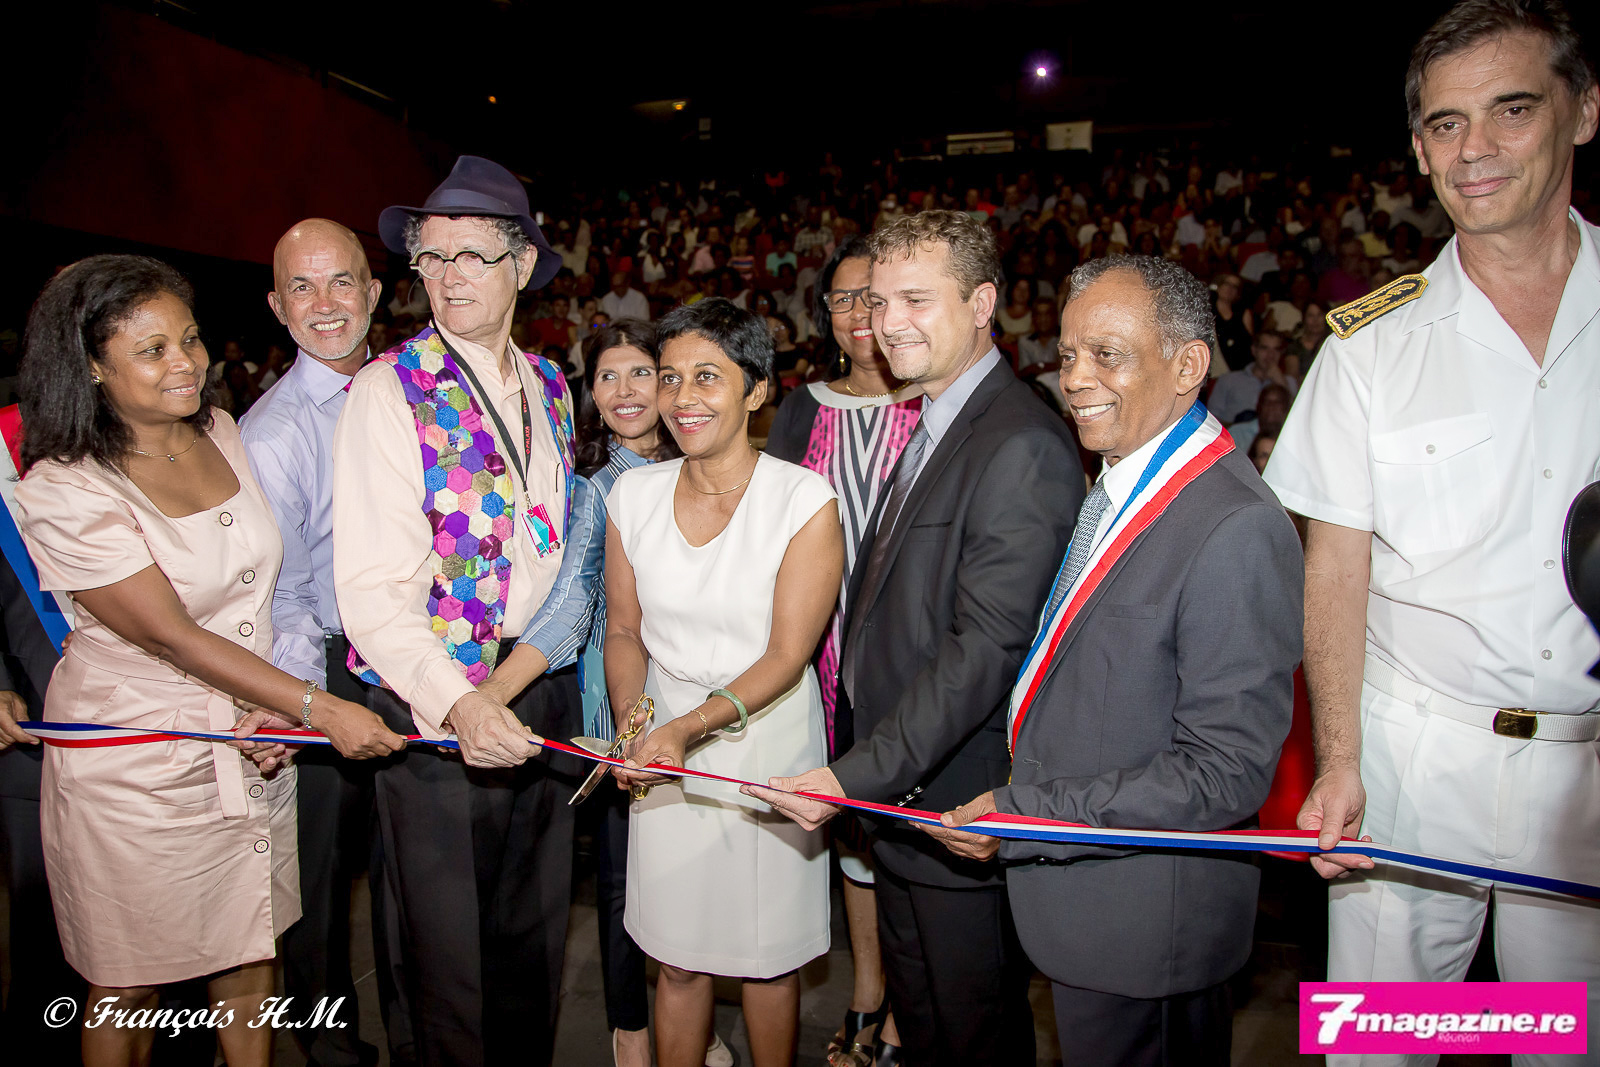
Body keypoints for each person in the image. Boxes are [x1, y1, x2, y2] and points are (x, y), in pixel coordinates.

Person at [1265, 4, 1600, 1061]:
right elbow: (1336, 564)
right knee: (1382, 1038)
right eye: (1445, 125)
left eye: (1510, 110)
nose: (1476, 150)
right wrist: (1341, 757)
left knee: (1568, 1034)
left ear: (1581, 112)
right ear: (1418, 151)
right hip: (1415, 751)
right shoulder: (1370, 347)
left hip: (1586, 761)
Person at [15, 255, 402, 1067]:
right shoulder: (63, 486)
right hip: (138, 761)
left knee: (249, 947)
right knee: (130, 981)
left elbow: (257, 595)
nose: (185, 361)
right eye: (151, 349)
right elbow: (170, 633)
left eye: (188, 339)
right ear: (90, 363)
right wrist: (315, 705)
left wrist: (270, 709)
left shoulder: (220, 431)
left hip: (254, 738)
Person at [922, 255, 1302, 1065]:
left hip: (1145, 924)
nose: (1075, 379)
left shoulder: (1233, 525)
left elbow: (1225, 772)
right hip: (1091, 908)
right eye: (1066, 355)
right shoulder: (1117, 484)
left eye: (1108, 355)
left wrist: (1030, 811)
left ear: (1188, 365)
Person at [750, 211, 1084, 1067]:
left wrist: (852, 772)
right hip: (899, 797)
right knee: (929, 1021)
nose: (886, 320)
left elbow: (986, 647)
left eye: (913, 299)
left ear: (982, 304)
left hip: (954, 796)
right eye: (873, 300)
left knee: (974, 1027)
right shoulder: (935, 418)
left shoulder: (1019, 440)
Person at [334, 155, 580, 1066]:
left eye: (472, 255)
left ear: (523, 264)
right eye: (430, 258)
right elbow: (369, 593)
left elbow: (551, 544)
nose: (447, 277)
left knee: (531, 929)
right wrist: (458, 700)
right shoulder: (387, 388)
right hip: (439, 693)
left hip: (536, 680)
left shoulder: (551, 383)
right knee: (445, 960)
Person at [471, 321, 720, 1067]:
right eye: (606, 377)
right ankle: (632, 1030)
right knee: (622, 879)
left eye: (641, 372)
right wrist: (495, 690)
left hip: (700, 701)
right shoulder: (596, 487)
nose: (624, 391)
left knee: (692, 873)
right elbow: (576, 605)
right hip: (618, 707)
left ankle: (691, 1019)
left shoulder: (707, 466)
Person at [606, 298, 844, 1067]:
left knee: (765, 959)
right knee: (676, 958)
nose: (682, 398)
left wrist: (686, 728)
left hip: (765, 743)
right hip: (663, 739)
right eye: (670, 377)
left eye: (708, 376)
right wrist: (633, 722)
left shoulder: (802, 500)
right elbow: (622, 630)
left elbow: (785, 654)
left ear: (756, 389)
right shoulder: (633, 496)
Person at [764, 236, 923, 1066]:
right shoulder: (801, 408)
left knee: (912, 825)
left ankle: (908, 1006)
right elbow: (773, 534)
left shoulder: (938, 400)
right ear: (825, 316)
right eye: (846, 299)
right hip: (821, 656)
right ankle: (869, 988)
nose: (863, 315)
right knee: (853, 826)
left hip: (915, 654)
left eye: (879, 297)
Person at [238, 218, 390, 1065]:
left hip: (405, 657)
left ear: (373, 292)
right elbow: (284, 595)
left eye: (342, 282)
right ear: (277, 306)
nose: (325, 304)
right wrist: (306, 712)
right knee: (322, 883)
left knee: (400, 872)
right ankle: (330, 1052)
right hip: (326, 662)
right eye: (303, 286)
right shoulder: (276, 432)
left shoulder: (404, 391)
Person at [1207, 329, 1297, 424]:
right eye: (1264, 348)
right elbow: (1211, 419)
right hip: (1235, 434)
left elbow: (1297, 417)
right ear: (1254, 350)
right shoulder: (1228, 380)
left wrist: (1281, 382)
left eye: (1276, 349)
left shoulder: (1289, 382)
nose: (1271, 355)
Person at [1226, 381, 1292, 449]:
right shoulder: (1237, 434)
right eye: (1267, 402)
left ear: (1287, 408)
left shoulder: (1294, 435)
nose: (1271, 406)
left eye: (1277, 402)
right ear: (1259, 406)